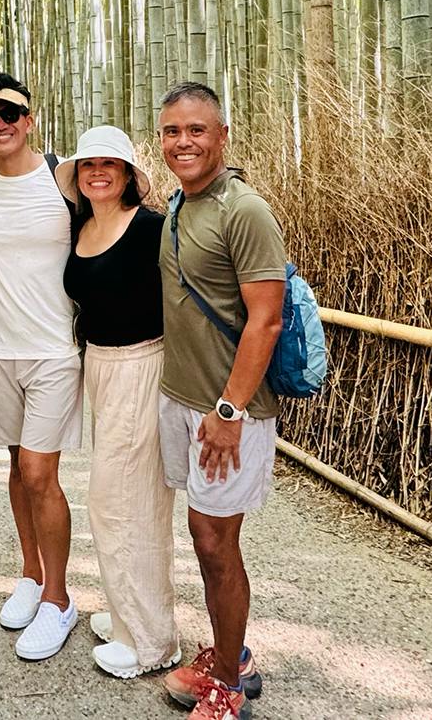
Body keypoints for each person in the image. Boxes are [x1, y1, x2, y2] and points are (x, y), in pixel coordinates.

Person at [154, 82, 285, 720]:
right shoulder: (181, 204)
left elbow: (265, 321)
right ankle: (231, 655)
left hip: (227, 412)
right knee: (204, 533)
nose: (184, 142)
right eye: (172, 132)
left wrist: (229, 411)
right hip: (183, 401)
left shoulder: (246, 211)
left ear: (222, 135)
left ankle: (228, 687)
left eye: (197, 130)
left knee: (214, 541)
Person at [0, 72, 82, 661]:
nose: (1, 123)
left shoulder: (64, 176)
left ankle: (59, 599)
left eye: (11, 112)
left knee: (39, 474)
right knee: (15, 468)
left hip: (56, 348)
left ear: (30, 119)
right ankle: (31, 574)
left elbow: (120, 227)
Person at [57, 125, 179, 680]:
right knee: (124, 497)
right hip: (100, 368)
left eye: (110, 163)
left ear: (129, 173)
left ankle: (151, 641)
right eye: (88, 165)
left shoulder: (154, 227)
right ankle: (130, 616)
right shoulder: (81, 227)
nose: (98, 172)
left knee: (121, 501)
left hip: (142, 364)